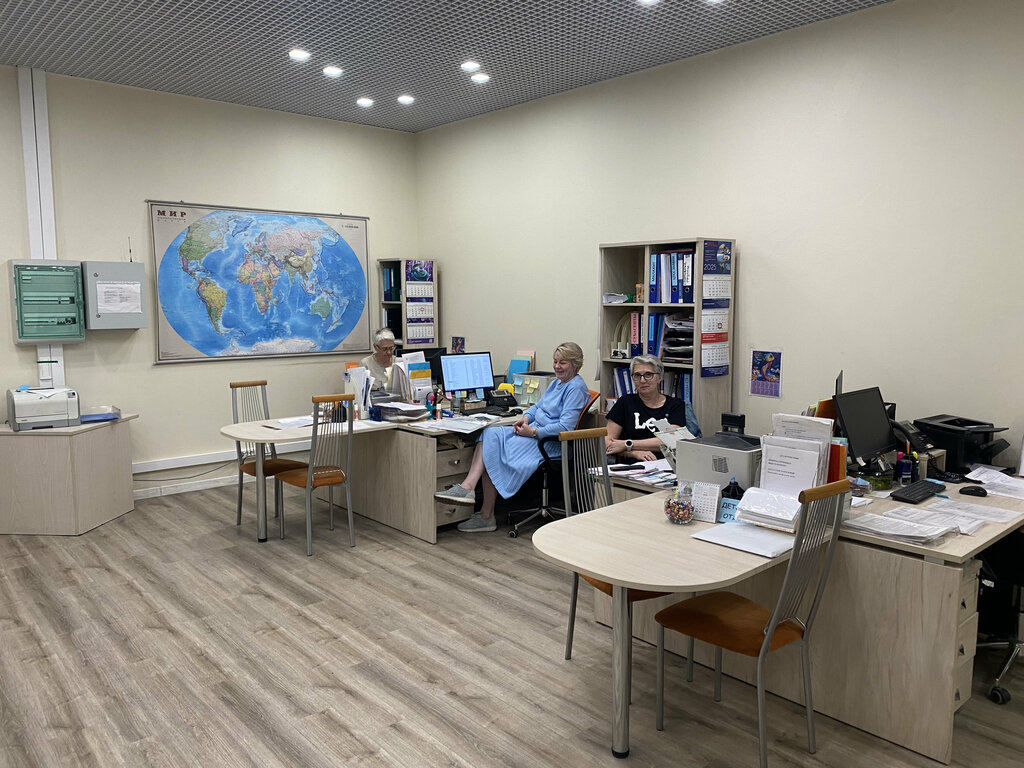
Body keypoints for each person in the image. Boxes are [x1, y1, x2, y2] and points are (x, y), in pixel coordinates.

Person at [434, 342, 591, 532]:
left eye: (562, 363)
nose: (557, 366)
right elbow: (537, 406)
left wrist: (533, 432)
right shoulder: (557, 383)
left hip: (549, 442)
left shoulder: (576, 388)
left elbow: (565, 427)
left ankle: (485, 514)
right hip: (534, 431)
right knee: (489, 433)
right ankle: (469, 488)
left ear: (575, 364)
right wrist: (526, 418)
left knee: (494, 449)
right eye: (555, 361)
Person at [605, 354, 700, 462]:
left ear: (660, 377)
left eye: (648, 375)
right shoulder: (625, 403)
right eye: (637, 375)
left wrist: (628, 444)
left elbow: (670, 441)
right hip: (632, 467)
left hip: (666, 466)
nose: (642, 380)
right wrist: (633, 453)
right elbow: (608, 442)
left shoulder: (675, 405)